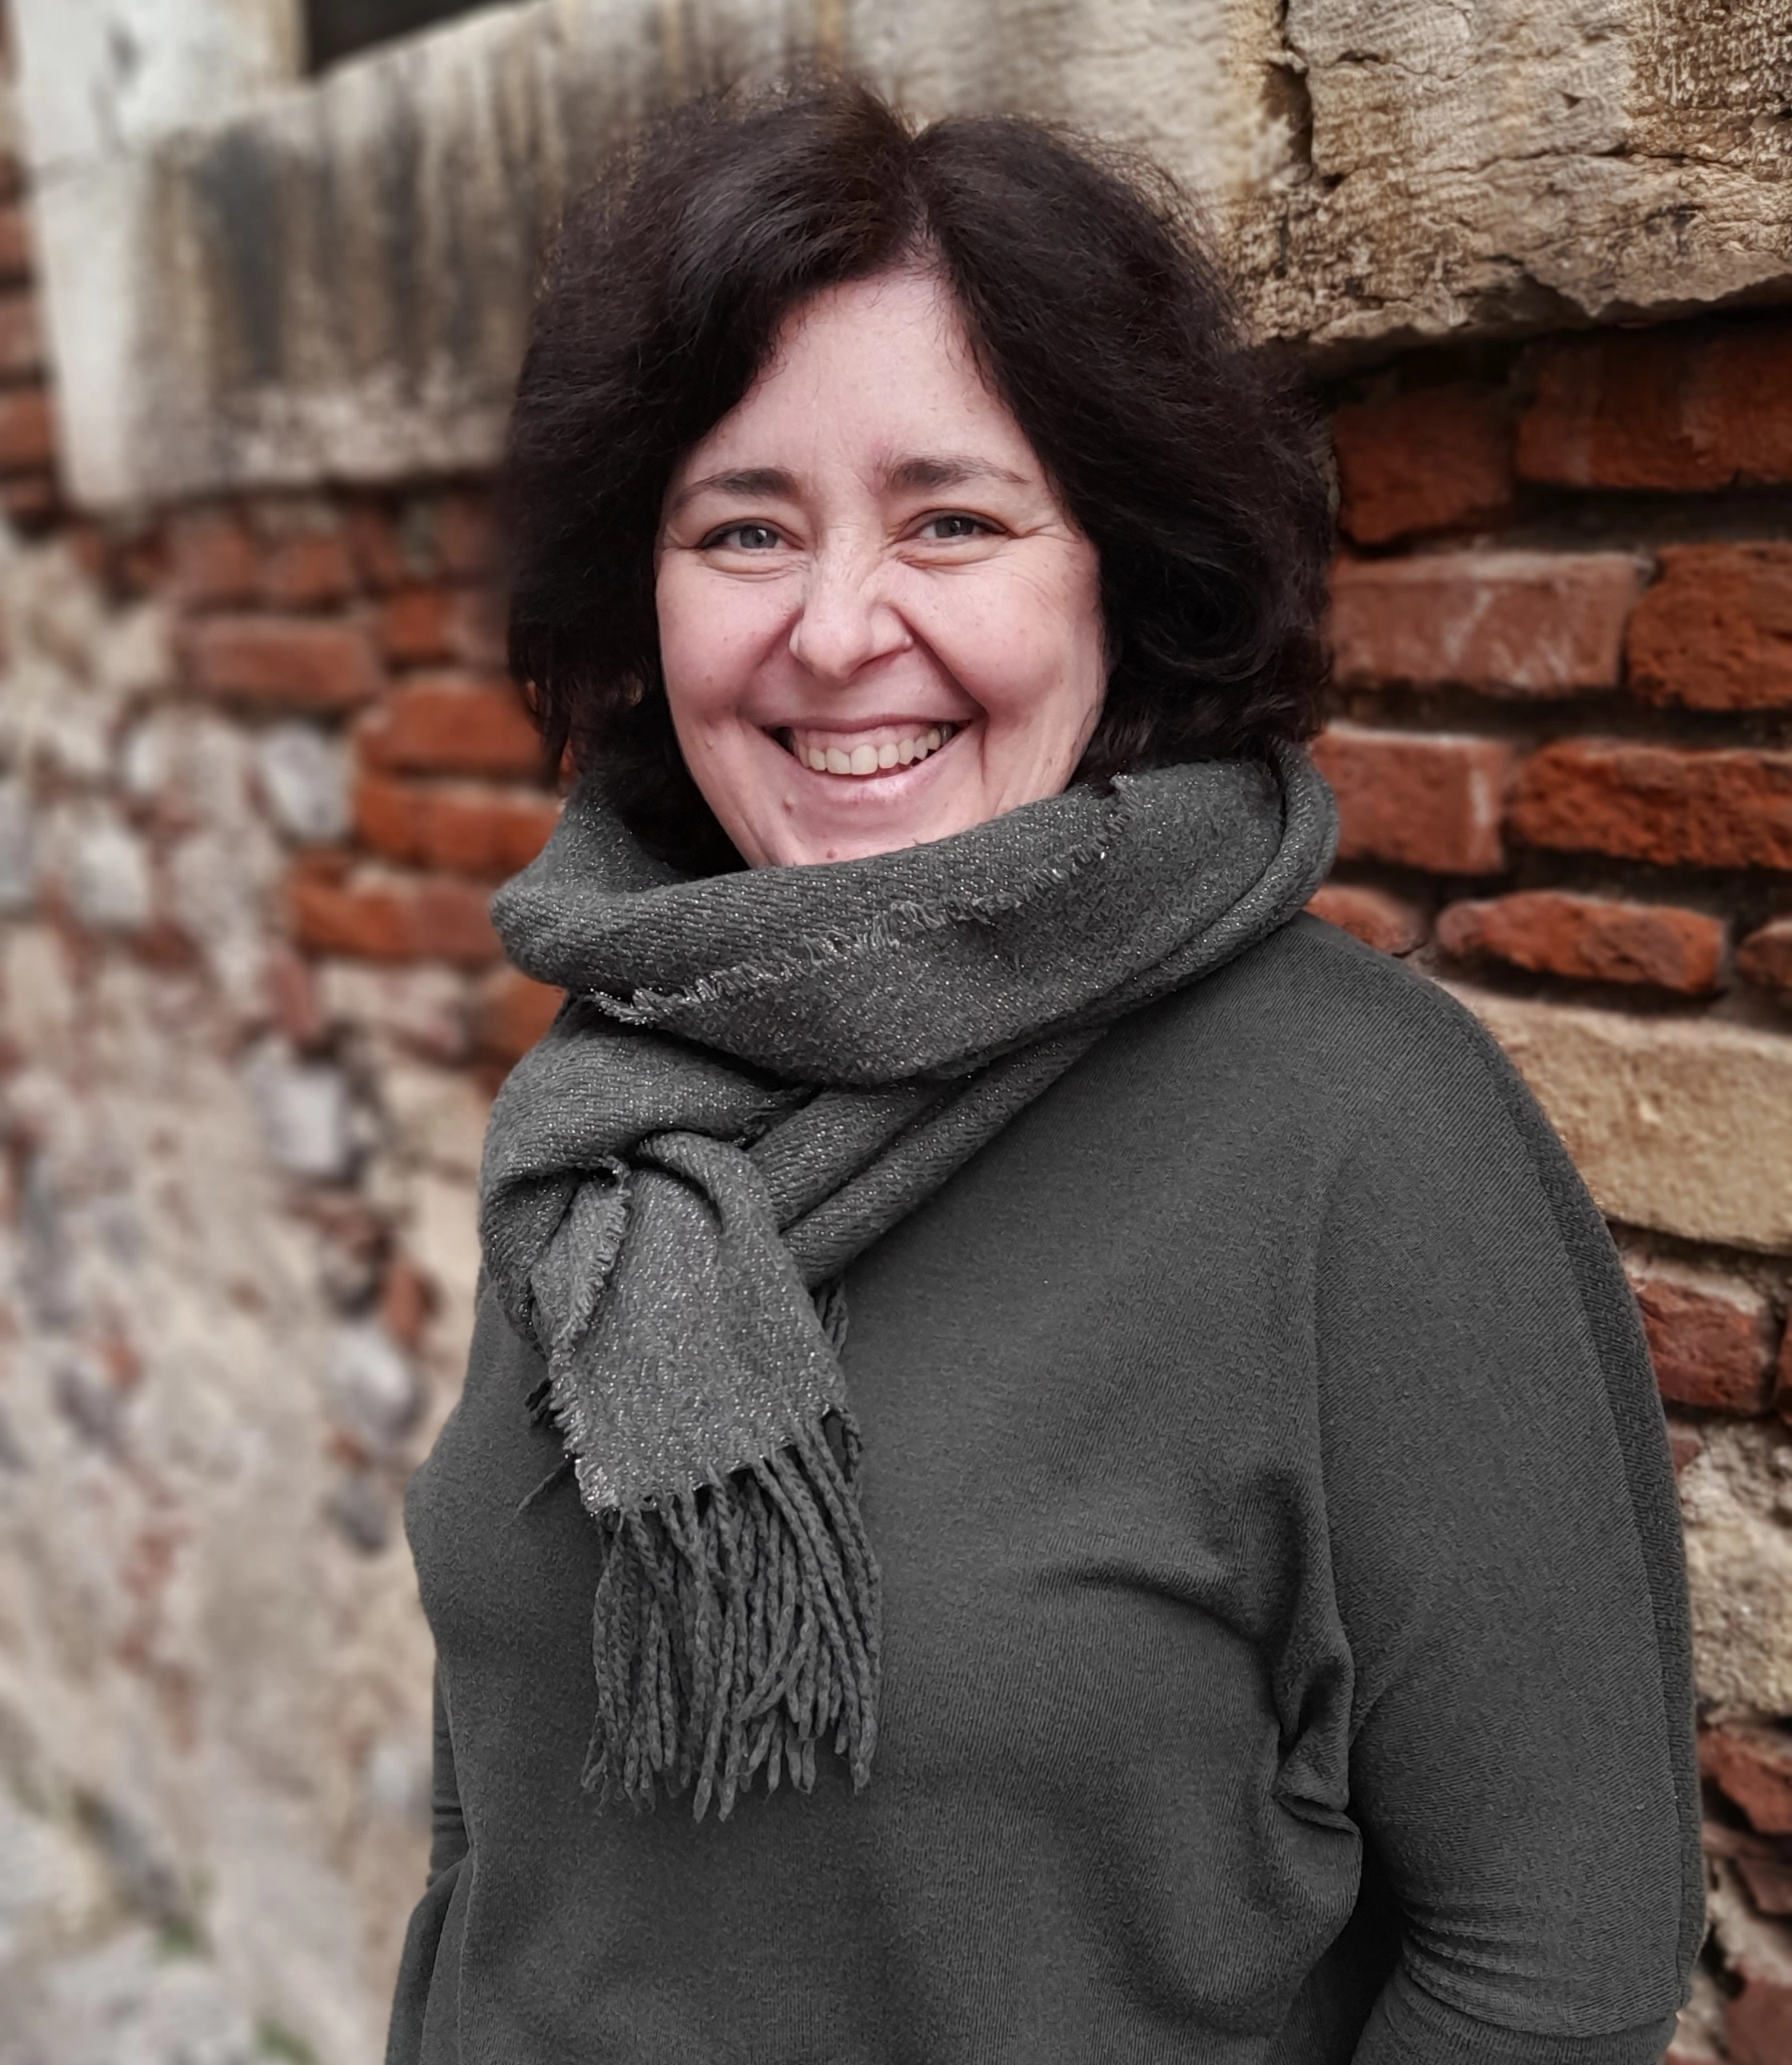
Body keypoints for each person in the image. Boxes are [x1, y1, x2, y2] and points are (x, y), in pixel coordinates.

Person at [386, 76, 1702, 2065]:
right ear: (641, 604)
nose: (838, 630)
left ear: (1122, 568)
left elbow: (1555, 1965)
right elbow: (499, 1802)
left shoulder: (1356, 1136)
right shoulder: (624, 1100)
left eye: (953, 519)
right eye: (743, 526)